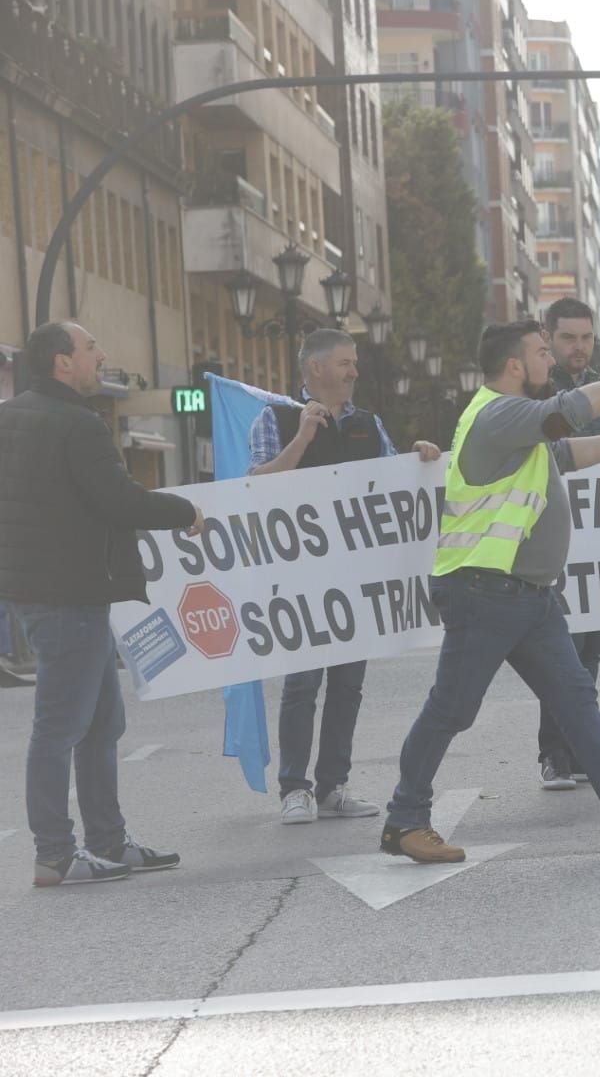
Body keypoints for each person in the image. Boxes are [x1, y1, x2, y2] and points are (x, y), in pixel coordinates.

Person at [381, 322, 600, 862]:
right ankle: (405, 820)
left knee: (574, 697)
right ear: (514, 365)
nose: (550, 361)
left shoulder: (519, 427)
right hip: (484, 589)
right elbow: (570, 412)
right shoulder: (498, 414)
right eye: (540, 352)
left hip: (527, 595)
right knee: (451, 710)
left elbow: (569, 454)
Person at [0, 323, 202, 886]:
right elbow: (118, 500)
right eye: (91, 348)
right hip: (71, 594)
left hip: (38, 591)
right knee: (61, 725)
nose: (102, 354)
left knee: (100, 722)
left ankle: (107, 841)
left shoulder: (10, 417)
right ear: (63, 362)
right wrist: (184, 511)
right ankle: (55, 854)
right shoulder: (78, 423)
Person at [249, 330, 442, 825]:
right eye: (345, 363)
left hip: (356, 577)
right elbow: (256, 488)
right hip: (301, 578)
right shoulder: (275, 420)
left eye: (354, 363)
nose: (355, 371)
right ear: (316, 369)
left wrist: (419, 458)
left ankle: (333, 786)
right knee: (302, 685)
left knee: (347, 686)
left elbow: (395, 482)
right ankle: (295, 789)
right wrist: (302, 439)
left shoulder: (367, 425)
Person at [534, 297, 600, 793]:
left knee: (589, 652)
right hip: (551, 546)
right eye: (568, 337)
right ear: (547, 338)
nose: (579, 347)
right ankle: (554, 754)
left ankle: (579, 752)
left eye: (586, 337)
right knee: (561, 654)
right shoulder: (534, 392)